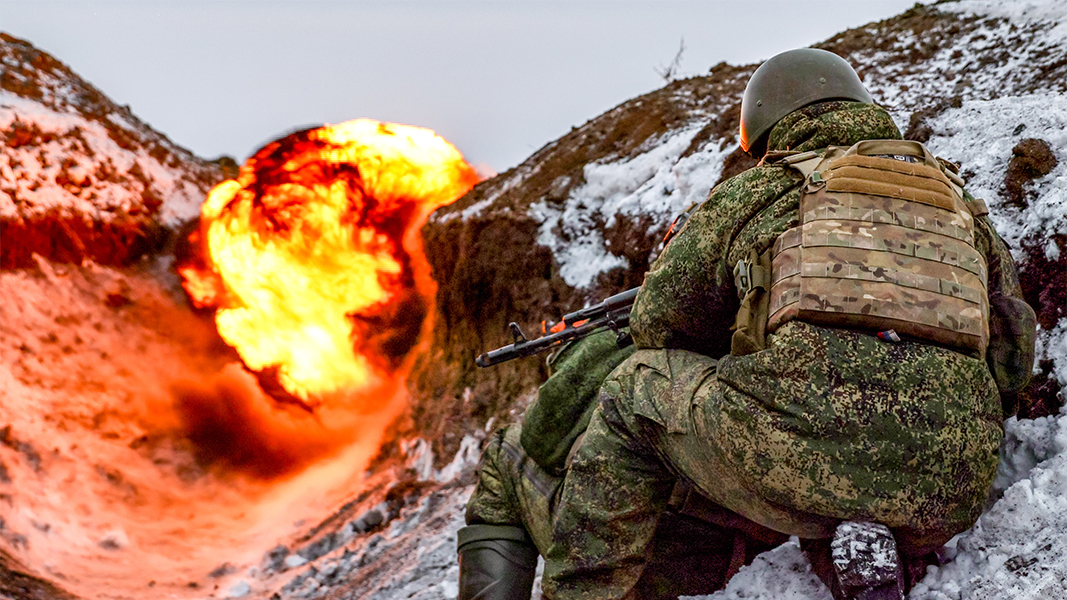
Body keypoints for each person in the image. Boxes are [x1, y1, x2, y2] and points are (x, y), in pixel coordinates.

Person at [538, 48, 1037, 600]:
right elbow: (1013, 353)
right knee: (839, 458)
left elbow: (658, 326)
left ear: (768, 129)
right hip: (951, 484)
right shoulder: (959, 203)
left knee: (634, 391)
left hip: (799, 458)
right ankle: (862, 549)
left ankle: (581, 592)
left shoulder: (756, 192)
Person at [458, 329, 788, 600]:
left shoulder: (697, 288)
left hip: (662, 568)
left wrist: (584, 346)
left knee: (506, 451)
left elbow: (543, 430)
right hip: (755, 544)